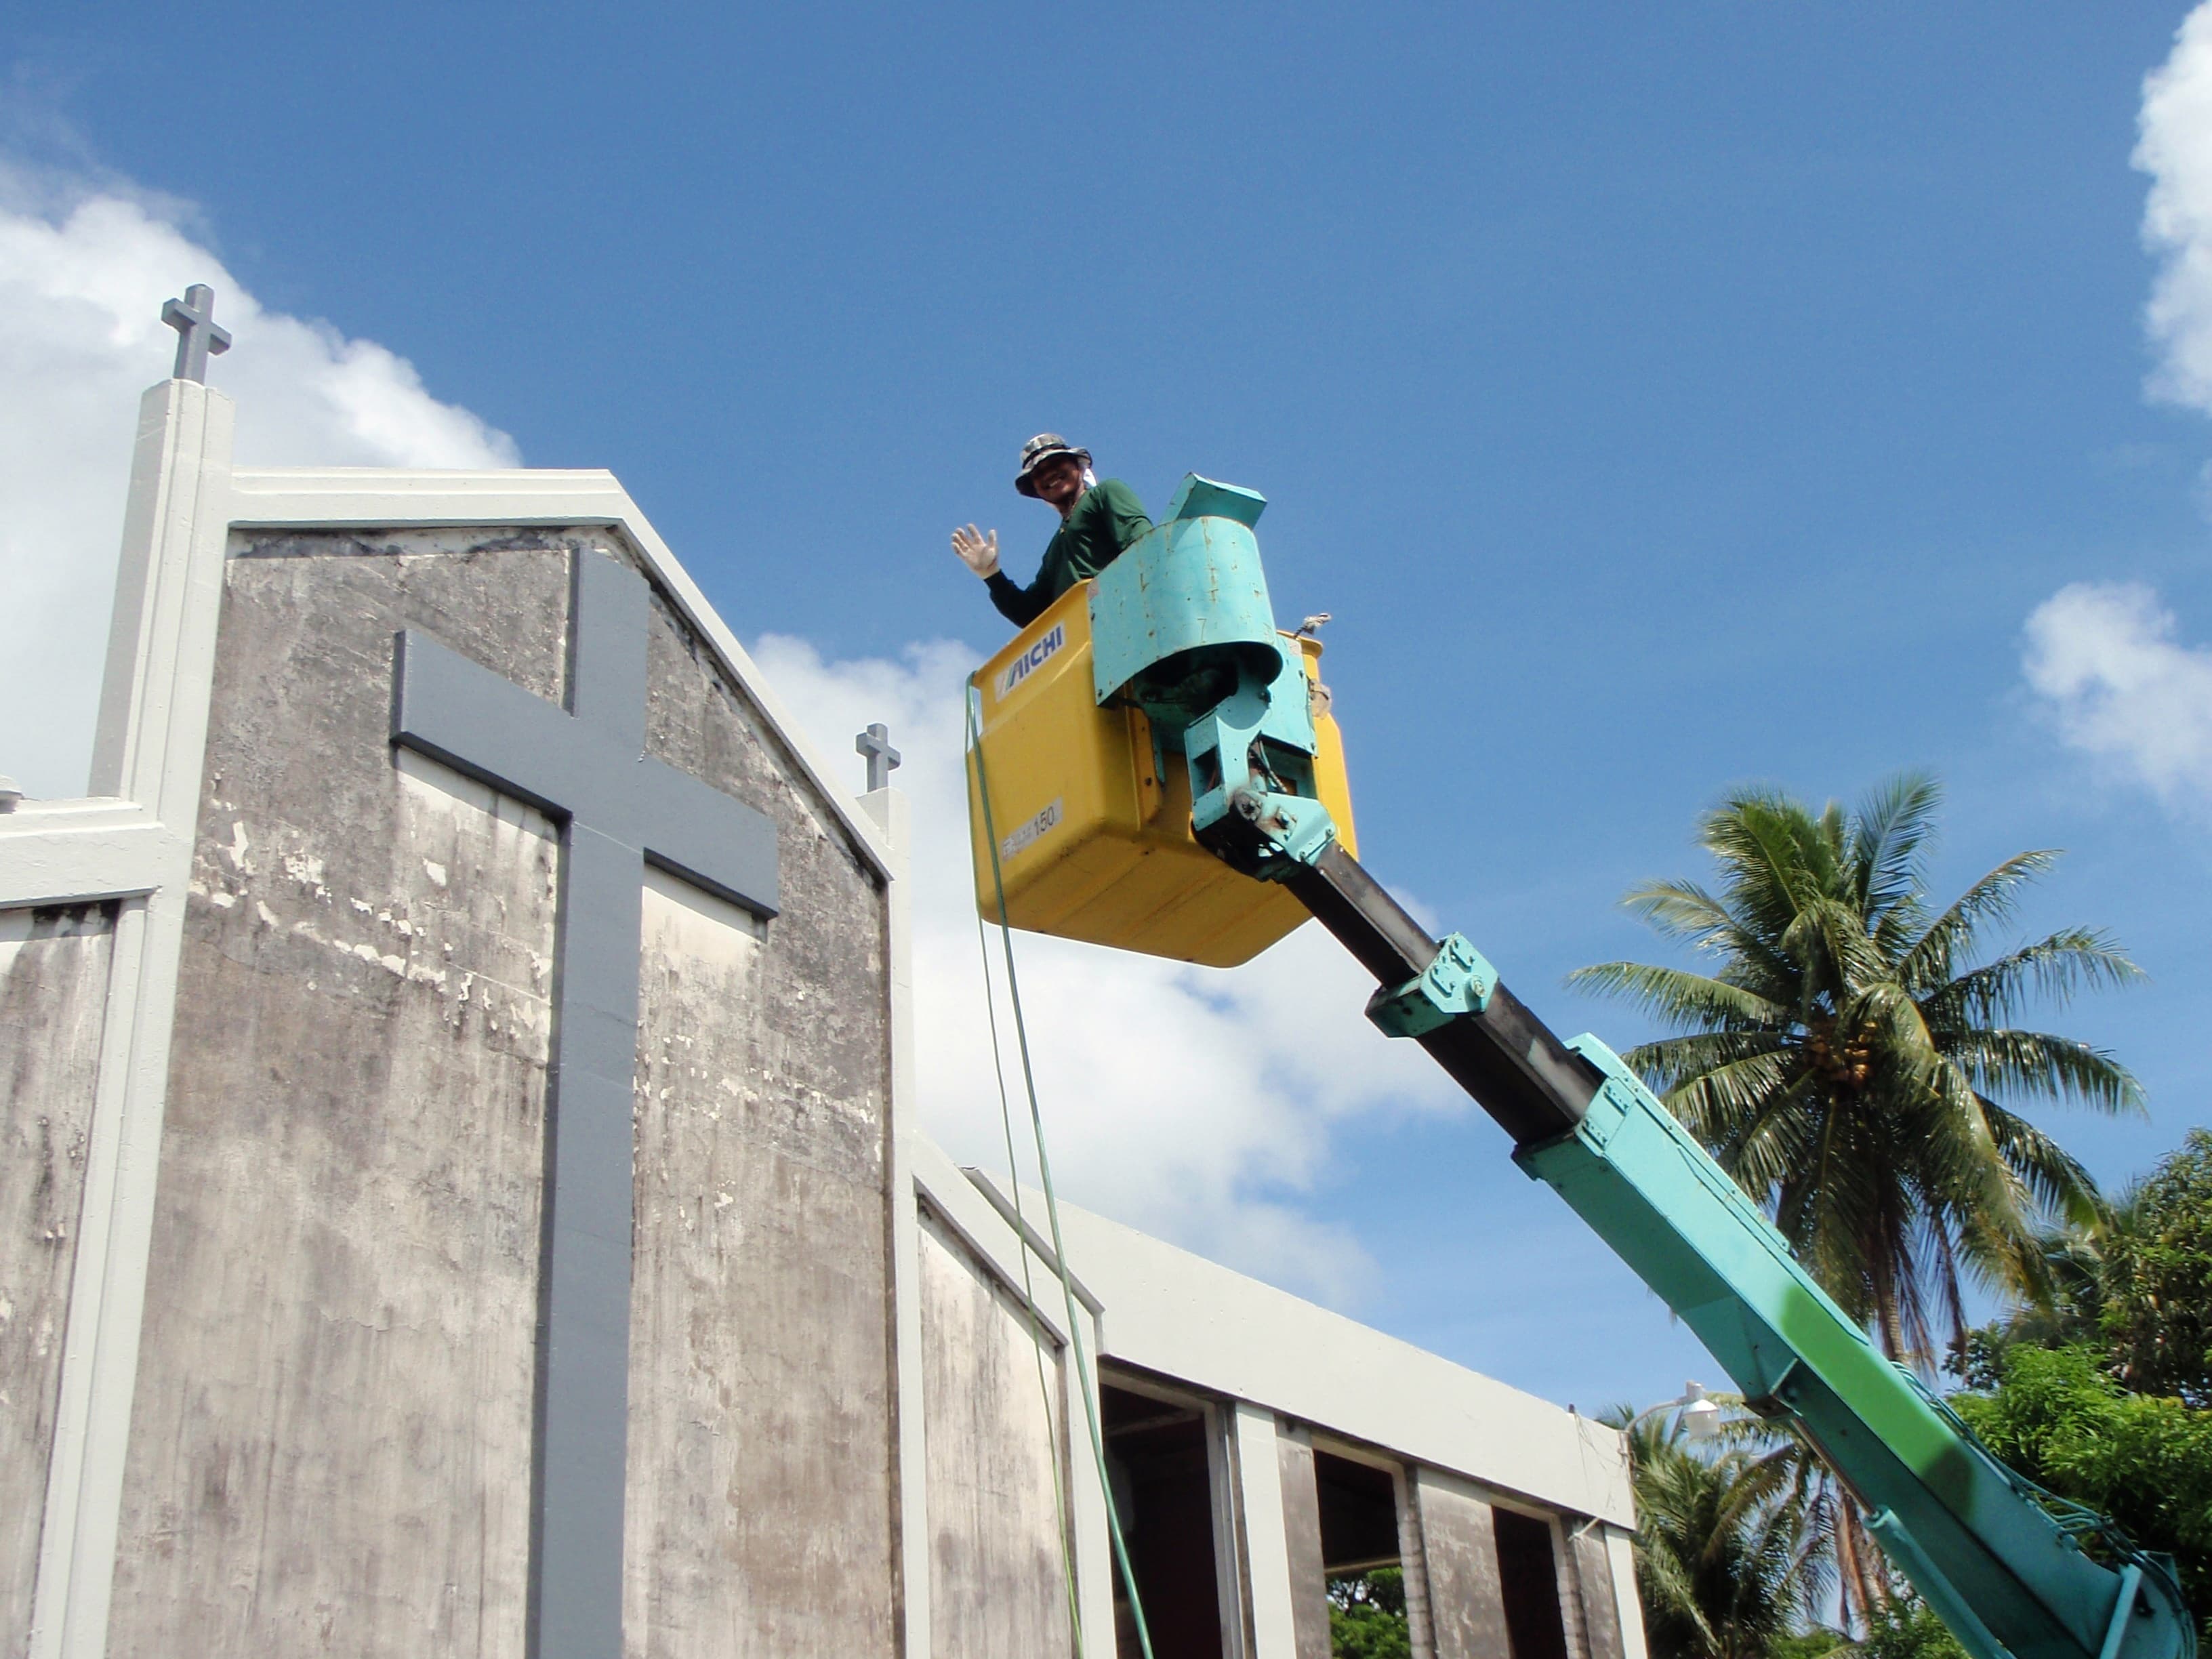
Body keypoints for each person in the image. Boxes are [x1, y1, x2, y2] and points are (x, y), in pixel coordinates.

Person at [951, 434, 1152, 628]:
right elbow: (1033, 617)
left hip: (1129, 620)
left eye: (1056, 464)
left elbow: (1145, 545)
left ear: (1077, 465)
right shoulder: (1054, 552)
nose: (1048, 474)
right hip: (1089, 644)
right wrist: (991, 575)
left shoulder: (1105, 493)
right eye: (1038, 474)